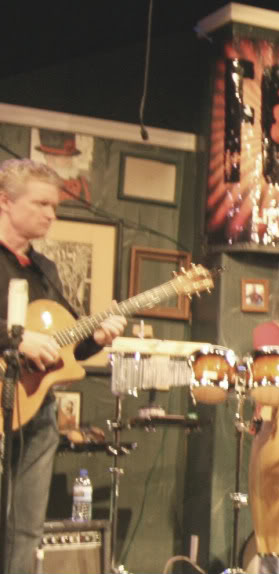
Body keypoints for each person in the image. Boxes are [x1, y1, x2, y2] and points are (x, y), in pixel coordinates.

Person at [0, 158, 126, 574]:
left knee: (26, 528)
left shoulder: (46, 270)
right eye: (41, 204)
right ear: (4, 201)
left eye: (54, 206)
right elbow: (22, 341)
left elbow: (65, 349)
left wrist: (98, 337)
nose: (51, 215)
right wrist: (15, 339)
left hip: (38, 408)